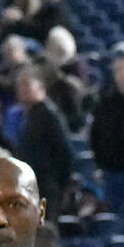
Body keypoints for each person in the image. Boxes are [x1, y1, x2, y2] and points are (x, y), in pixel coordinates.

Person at [13, 69, 77, 218]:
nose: (22, 89)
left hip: (46, 185)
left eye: (27, 85)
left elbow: (64, 151)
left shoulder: (49, 114)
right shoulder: (28, 115)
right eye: (20, 85)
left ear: (40, 87)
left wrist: (60, 184)